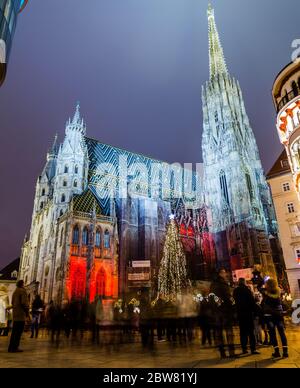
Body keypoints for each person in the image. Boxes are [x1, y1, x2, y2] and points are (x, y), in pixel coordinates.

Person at [210, 268, 236, 359]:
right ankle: (231, 352)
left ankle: (222, 353)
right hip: (225, 312)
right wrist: (232, 305)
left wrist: (215, 307)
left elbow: (212, 298)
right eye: (225, 272)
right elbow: (228, 297)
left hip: (217, 312)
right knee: (229, 332)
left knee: (219, 333)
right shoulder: (223, 284)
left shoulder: (213, 285)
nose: (226, 274)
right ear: (221, 274)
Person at [262, 278, 288, 359]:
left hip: (270, 316)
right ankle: (285, 352)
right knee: (282, 333)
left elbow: (261, 289)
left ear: (268, 285)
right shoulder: (278, 292)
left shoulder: (265, 293)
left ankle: (277, 352)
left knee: (272, 334)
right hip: (278, 315)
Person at [233, 278, 260, 355]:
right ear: (244, 282)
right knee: (251, 332)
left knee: (243, 332)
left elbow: (234, 303)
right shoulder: (247, 290)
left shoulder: (235, 291)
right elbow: (252, 302)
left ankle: (244, 349)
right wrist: (255, 313)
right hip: (248, 314)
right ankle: (253, 349)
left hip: (240, 314)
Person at [8, 280, 29, 353]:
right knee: (18, 332)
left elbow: (12, 303)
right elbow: (24, 303)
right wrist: (27, 314)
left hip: (15, 314)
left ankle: (11, 347)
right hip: (20, 314)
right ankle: (15, 347)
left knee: (14, 332)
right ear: (22, 284)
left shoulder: (15, 292)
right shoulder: (22, 291)